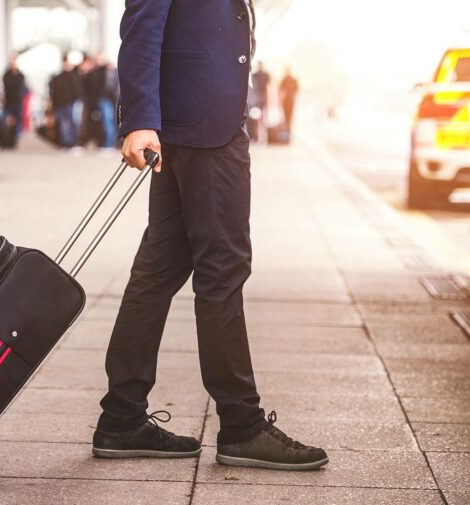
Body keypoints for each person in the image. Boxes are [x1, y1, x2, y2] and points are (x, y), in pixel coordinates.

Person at [92, 0, 328, 471]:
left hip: (194, 123)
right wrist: (139, 121)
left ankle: (121, 417)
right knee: (223, 269)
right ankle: (241, 426)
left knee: (158, 269)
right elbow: (142, 27)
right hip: (204, 130)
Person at [49, 55, 82, 148]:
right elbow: (54, 92)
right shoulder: (58, 78)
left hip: (70, 104)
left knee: (71, 123)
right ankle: (66, 143)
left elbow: (77, 90)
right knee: (63, 124)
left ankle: (72, 143)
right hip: (61, 104)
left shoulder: (74, 76)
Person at [1, 55, 27, 149]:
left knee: (17, 122)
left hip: (18, 102)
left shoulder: (21, 75)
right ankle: (6, 139)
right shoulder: (6, 75)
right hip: (8, 102)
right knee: (5, 121)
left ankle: (15, 140)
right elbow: (8, 86)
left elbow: (21, 89)